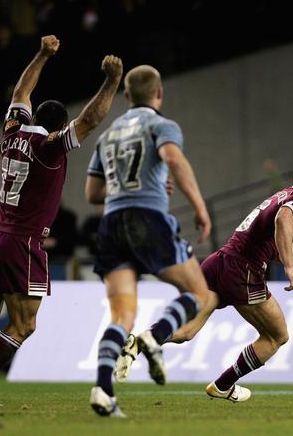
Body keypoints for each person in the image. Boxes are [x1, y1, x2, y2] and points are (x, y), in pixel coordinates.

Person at [0, 35, 122, 407]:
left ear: (35, 117)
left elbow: (21, 92)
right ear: (57, 127)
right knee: (23, 325)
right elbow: (89, 119)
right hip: (21, 243)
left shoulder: (12, 133)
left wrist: (42, 55)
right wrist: (111, 81)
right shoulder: (50, 146)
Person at [114, 161, 293, 402]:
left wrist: (291, 255)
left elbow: (267, 236)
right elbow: (283, 219)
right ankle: (223, 385)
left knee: (187, 331)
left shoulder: (281, 195)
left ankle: (141, 341)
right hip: (243, 271)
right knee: (277, 336)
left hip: (220, 260)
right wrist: (289, 267)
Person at [85, 64, 212, 417]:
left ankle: (103, 390)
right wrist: (200, 207)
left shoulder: (107, 135)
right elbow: (172, 157)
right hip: (147, 219)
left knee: (122, 315)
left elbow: (93, 192)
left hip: (112, 223)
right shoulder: (162, 125)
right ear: (160, 93)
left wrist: (136, 184)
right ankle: (155, 338)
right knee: (197, 294)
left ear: (126, 96)